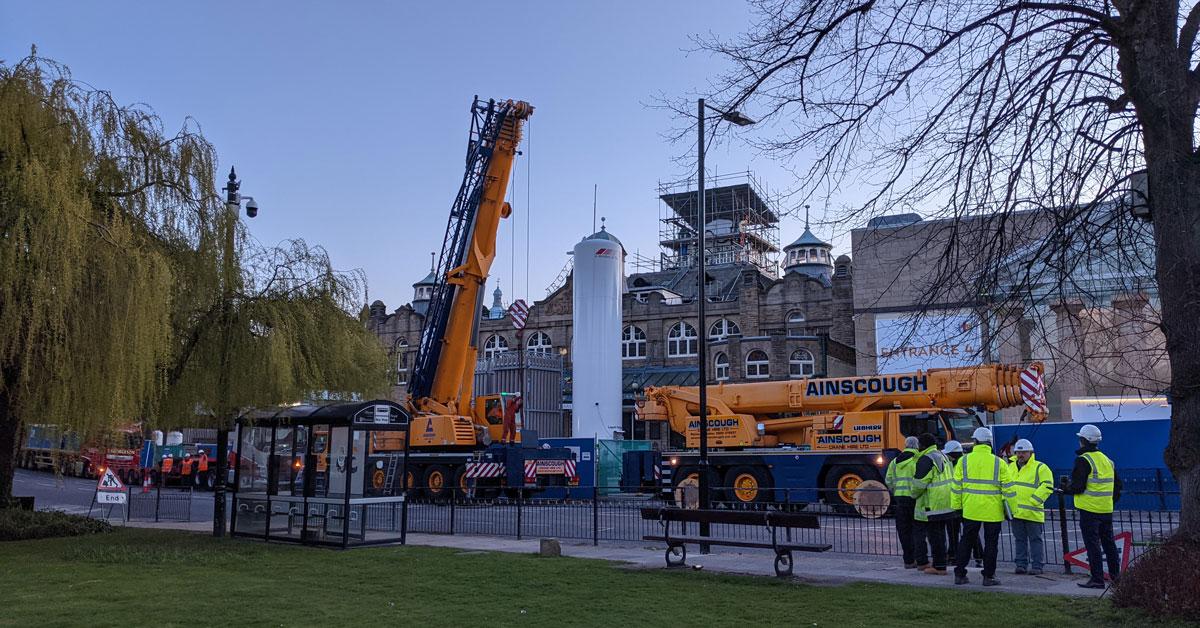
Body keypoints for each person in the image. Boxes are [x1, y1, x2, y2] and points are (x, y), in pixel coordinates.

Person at [952, 427, 1016, 586]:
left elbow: (956, 487)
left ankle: (959, 574)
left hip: (970, 509)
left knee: (966, 541)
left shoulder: (963, 461)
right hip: (992, 511)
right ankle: (989, 576)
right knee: (991, 545)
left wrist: (957, 507)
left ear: (975, 441)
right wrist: (1012, 511)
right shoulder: (999, 463)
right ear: (989, 442)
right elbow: (1009, 490)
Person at [1061, 424, 1123, 589]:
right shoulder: (1107, 460)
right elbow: (1117, 486)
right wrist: (1108, 502)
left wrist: (1065, 489)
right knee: (1109, 545)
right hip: (1106, 510)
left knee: (1093, 545)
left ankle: (1097, 579)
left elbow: (1078, 487)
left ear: (1082, 440)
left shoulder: (1083, 460)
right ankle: (1116, 577)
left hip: (1089, 510)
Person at [911, 433, 955, 575]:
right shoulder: (942, 455)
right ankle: (940, 564)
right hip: (946, 501)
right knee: (941, 536)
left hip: (933, 503)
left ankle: (939, 566)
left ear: (923, 445)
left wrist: (913, 494)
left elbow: (919, 483)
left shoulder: (926, 459)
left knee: (935, 536)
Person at [1007, 438, 1052, 575]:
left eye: (1024, 452)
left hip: (1032, 512)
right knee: (1020, 540)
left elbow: (1047, 486)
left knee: (1035, 540)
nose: (1021, 455)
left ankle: (1037, 566)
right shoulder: (1011, 467)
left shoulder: (1040, 467)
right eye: (1018, 452)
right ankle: (1021, 565)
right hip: (1016, 512)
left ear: (1031, 453)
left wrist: (1034, 501)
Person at [943, 440, 984, 568]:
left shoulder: (959, 464)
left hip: (963, 503)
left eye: (948, 454)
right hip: (960, 503)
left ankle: (977, 556)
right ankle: (955, 555)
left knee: (967, 532)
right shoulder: (958, 463)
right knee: (955, 532)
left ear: (953, 454)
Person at [885, 436, 921, 568]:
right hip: (915, 499)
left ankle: (908, 560)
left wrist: (896, 492)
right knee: (918, 530)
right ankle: (920, 559)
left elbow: (888, 480)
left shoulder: (894, 461)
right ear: (917, 446)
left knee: (904, 531)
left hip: (900, 500)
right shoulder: (918, 459)